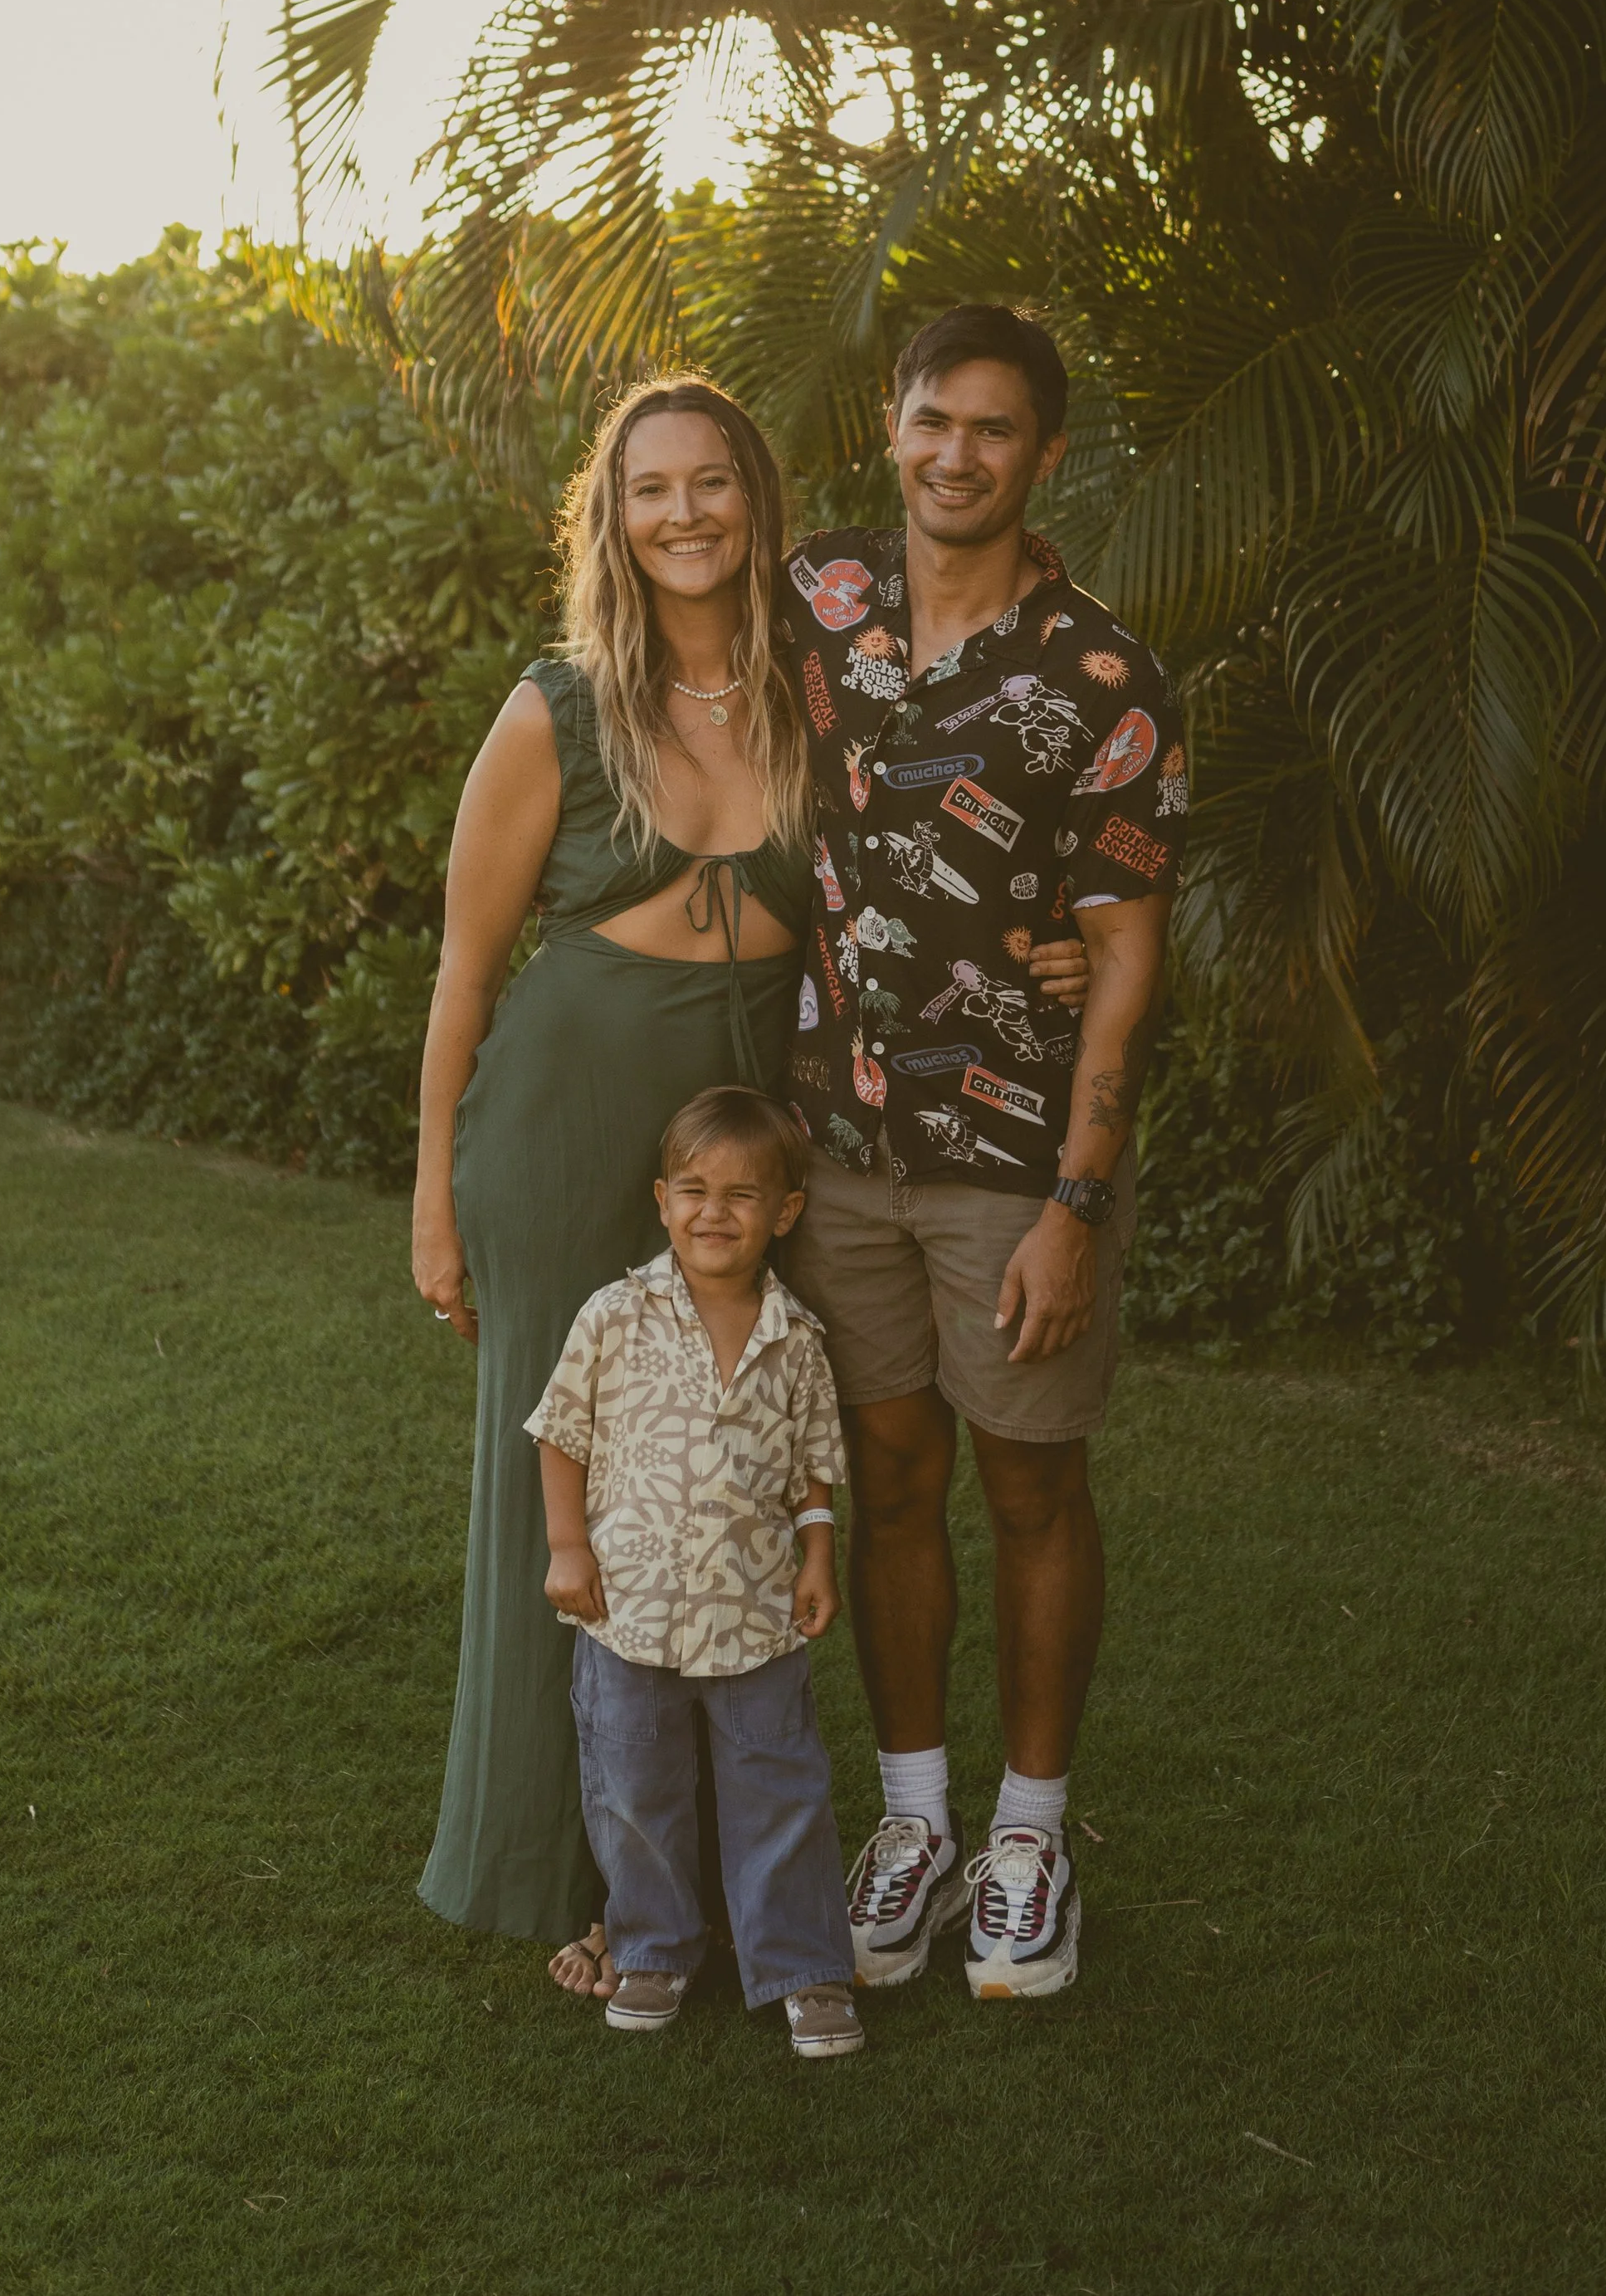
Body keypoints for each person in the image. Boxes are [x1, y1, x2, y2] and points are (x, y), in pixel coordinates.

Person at [409, 372, 1090, 1996]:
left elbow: (992, 721)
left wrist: (1055, 939)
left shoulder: (822, 690)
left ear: (758, 503)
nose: (685, 515)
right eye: (650, 490)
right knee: (572, 1480)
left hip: (756, 1143)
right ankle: (559, 1872)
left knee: (719, 1482)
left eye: (712, 483)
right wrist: (434, 1191)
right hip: (569, 1124)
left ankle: (714, 1867)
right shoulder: (556, 708)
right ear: (611, 514)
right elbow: (462, 963)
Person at [779, 302, 1182, 2001]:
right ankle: (915, 1820)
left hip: (1009, 1153)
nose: (955, 452)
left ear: (1043, 456)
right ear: (890, 424)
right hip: (829, 1138)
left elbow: (1130, 959)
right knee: (885, 1482)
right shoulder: (812, 602)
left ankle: (1027, 1832)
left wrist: (1076, 1206)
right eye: (932, 419)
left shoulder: (1100, 674)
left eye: (992, 430)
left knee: (1028, 1483)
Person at [528, 1086, 863, 2059]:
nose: (714, 1211)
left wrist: (817, 1556)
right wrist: (567, 1547)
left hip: (754, 1613)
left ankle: (804, 1967)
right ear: (662, 1199)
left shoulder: (797, 1339)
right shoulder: (615, 1315)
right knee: (635, 1786)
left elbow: (811, 1467)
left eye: (742, 1194)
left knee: (779, 1785)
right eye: (694, 1190)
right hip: (626, 1606)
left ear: (784, 1212)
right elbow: (561, 1434)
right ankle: (652, 1949)